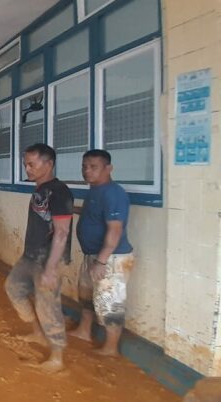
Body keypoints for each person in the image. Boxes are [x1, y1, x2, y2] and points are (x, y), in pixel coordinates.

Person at [4, 143, 74, 372]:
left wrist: (52, 269)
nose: (27, 168)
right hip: (31, 255)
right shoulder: (40, 190)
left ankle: (57, 357)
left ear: (49, 164)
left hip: (49, 259)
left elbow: (62, 232)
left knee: (48, 305)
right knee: (13, 287)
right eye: (26, 164)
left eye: (32, 164)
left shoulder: (59, 191)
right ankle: (37, 332)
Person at [69, 149, 134, 356]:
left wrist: (102, 261)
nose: (87, 171)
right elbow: (94, 215)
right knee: (86, 296)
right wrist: (73, 209)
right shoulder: (96, 191)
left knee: (110, 302)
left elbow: (115, 229)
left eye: (93, 167)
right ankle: (84, 331)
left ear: (108, 168)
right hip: (93, 255)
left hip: (111, 259)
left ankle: (111, 347)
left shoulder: (113, 193)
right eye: (84, 166)